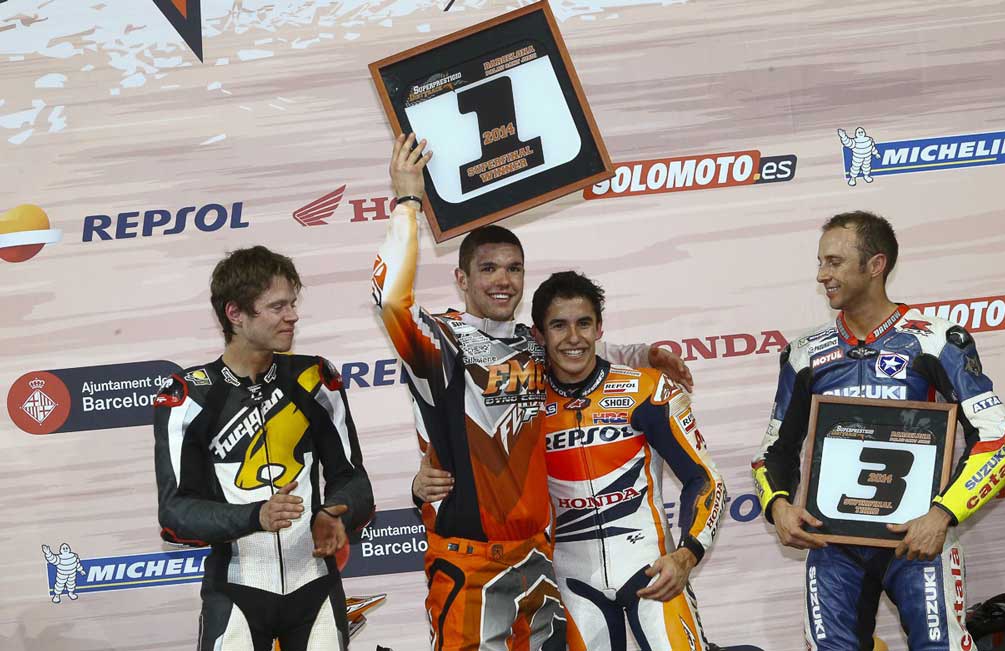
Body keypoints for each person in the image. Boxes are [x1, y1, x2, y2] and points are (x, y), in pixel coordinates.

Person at [375, 134, 692, 651]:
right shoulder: (440, 340)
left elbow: (581, 353)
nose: (503, 280)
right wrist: (408, 201)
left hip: (540, 560)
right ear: (461, 278)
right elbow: (390, 299)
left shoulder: (533, 342)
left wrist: (645, 354)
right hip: (469, 561)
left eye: (514, 268)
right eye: (488, 268)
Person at [750, 211, 1005, 649]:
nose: (822, 275)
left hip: (917, 541)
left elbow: (1001, 440)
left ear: (875, 265)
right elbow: (773, 452)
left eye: (834, 262)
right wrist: (778, 505)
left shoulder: (935, 341)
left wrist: (941, 515)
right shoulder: (804, 354)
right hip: (833, 544)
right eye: (820, 262)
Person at [153, 245, 375, 651]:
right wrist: (256, 516)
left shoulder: (313, 378)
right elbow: (175, 513)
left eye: (292, 303)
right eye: (277, 306)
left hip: (315, 584)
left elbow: (353, 480)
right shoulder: (190, 396)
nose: (292, 316)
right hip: (237, 590)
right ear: (235, 314)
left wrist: (333, 511)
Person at [528, 270, 725, 651]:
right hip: (572, 582)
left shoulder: (646, 388)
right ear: (539, 335)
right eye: (559, 325)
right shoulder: (524, 404)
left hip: (651, 569)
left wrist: (686, 555)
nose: (573, 337)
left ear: (599, 328)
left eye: (584, 323)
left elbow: (705, 480)